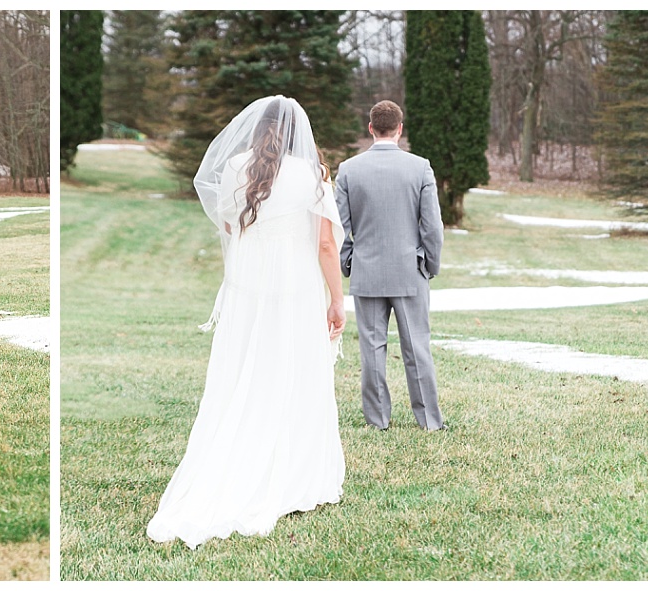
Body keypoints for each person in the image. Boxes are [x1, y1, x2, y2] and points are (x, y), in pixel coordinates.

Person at [146, 96, 346, 549]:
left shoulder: (236, 167)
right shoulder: (310, 175)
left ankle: (237, 455)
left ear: (255, 129)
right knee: (293, 374)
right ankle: (293, 472)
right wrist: (337, 300)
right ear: (299, 133)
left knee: (244, 375)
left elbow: (232, 228)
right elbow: (326, 246)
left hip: (247, 289)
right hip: (294, 290)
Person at [334, 100, 446, 431]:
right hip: (410, 270)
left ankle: (377, 418)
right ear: (400, 129)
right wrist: (431, 264)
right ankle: (428, 419)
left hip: (366, 269)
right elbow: (432, 227)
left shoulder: (349, 170)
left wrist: (349, 262)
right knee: (417, 348)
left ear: (370, 128)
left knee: (371, 348)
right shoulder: (420, 167)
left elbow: (338, 227)